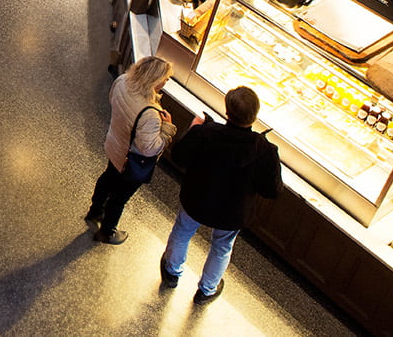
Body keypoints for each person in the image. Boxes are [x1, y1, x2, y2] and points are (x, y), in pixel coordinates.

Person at [160, 86, 282, 303]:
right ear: (255, 115)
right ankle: (207, 289)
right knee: (222, 247)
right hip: (233, 212)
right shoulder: (265, 150)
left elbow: (179, 157)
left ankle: (172, 272)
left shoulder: (205, 133)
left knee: (182, 232)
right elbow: (272, 191)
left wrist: (193, 129)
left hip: (196, 199)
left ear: (227, 111)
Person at [86, 56, 176, 244]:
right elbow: (149, 148)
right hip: (130, 160)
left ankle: (95, 211)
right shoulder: (150, 113)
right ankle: (107, 232)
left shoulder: (122, 81)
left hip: (115, 144)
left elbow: (113, 101)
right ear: (154, 80)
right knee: (119, 197)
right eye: (165, 78)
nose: (166, 82)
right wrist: (167, 128)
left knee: (108, 177)